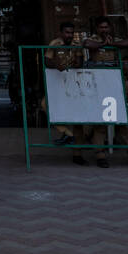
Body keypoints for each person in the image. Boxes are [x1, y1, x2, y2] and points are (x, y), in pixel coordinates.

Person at [84, 19, 128, 168]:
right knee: (101, 124)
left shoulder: (114, 40)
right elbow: (87, 45)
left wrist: (112, 44)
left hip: (114, 85)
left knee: (121, 121)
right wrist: (103, 44)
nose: (104, 30)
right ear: (97, 28)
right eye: (101, 27)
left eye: (106, 27)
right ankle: (100, 155)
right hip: (98, 86)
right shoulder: (93, 39)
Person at [44, 21, 86, 159]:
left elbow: (80, 62)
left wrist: (77, 63)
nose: (69, 35)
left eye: (71, 32)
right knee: (46, 104)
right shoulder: (54, 44)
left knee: (78, 116)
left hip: (74, 84)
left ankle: (78, 152)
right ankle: (68, 134)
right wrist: (56, 65)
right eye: (67, 32)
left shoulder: (76, 45)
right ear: (61, 33)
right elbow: (47, 61)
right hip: (57, 82)